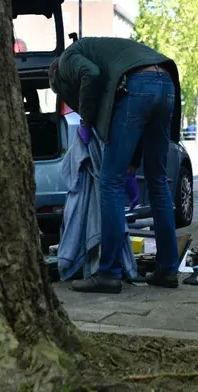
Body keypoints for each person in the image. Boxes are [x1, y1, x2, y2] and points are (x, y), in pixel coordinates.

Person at [48, 37, 182, 293]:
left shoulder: (66, 61)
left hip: (136, 86)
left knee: (110, 181)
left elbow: (92, 74)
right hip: (166, 82)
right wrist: (132, 166)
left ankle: (108, 273)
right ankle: (167, 270)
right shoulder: (99, 49)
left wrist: (86, 122)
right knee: (157, 180)